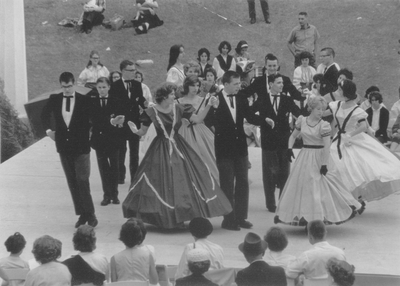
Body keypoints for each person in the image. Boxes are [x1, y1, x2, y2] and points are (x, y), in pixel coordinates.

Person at [122, 82, 232, 229]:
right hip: (160, 148)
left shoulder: (179, 108)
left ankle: (181, 215)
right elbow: (141, 132)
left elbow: (198, 119)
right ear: (164, 97)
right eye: (172, 94)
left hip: (178, 145)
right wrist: (133, 129)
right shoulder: (151, 111)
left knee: (182, 180)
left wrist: (209, 105)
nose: (175, 96)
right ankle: (166, 216)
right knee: (162, 180)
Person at [274, 96, 361, 226]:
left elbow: (327, 146)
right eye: (318, 109)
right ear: (311, 109)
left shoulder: (324, 125)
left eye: (323, 109)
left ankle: (318, 218)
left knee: (318, 188)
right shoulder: (302, 121)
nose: (321, 112)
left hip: (319, 156)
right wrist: (289, 148)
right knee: (303, 187)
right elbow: (292, 136)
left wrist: (324, 164)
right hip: (304, 156)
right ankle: (305, 217)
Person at [325, 80, 400, 210]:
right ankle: (346, 200)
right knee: (338, 168)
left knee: (356, 169)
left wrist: (350, 134)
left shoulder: (356, 109)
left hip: (353, 140)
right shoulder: (336, 105)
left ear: (345, 91)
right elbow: (325, 114)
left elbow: (364, 126)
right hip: (338, 140)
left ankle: (354, 200)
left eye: (340, 89)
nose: (338, 91)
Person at [41, 72, 97, 228]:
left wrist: (91, 132)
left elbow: (95, 117)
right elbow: (43, 115)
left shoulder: (84, 100)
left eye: (69, 86)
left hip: (81, 147)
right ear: (61, 86)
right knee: (72, 181)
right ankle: (82, 215)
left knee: (82, 180)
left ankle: (90, 214)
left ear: (74, 84)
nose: (66, 90)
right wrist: (48, 131)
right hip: (64, 147)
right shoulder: (55, 99)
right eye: (64, 87)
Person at [207, 71, 261, 231]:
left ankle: (241, 217)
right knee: (227, 183)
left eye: (239, 83)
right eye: (236, 84)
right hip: (224, 148)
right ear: (226, 84)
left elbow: (250, 116)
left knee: (243, 182)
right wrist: (215, 109)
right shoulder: (215, 98)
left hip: (240, 148)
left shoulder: (241, 97)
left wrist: (265, 120)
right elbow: (208, 120)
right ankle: (229, 219)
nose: (239, 86)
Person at [249, 74, 301, 213]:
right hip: (268, 141)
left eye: (282, 83)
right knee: (269, 174)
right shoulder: (263, 99)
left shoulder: (287, 99)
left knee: (284, 172)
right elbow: (249, 114)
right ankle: (270, 204)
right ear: (271, 84)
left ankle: (283, 202)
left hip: (284, 141)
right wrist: (263, 119)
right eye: (278, 83)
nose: (281, 85)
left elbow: (298, 112)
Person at [176, 75, 219, 182]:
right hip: (183, 132)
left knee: (209, 157)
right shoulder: (177, 101)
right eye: (192, 85)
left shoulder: (203, 100)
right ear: (186, 86)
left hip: (201, 132)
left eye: (197, 85)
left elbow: (209, 119)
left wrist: (215, 107)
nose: (195, 88)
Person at [110, 60, 145, 185]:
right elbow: (112, 105)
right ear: (123, 71)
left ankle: (134, 177)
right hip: (121, 123)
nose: (134, 72)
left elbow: (141, 100)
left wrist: (149, 107)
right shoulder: (115, 85)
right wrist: (115, 118)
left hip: (134, 123)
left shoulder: (137, 84)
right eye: (131, 70)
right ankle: (120, 176)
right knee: (121, 150)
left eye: (135, 70)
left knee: (134, 152)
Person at [89, 77, 123, 206]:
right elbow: (94, 119)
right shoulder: (92, 102)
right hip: (99, 139)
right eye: (99, 87)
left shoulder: (115, 100)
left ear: (109, 87)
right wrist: (110, 121)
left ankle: (114, 194)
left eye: (104, 87)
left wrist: (114, 122)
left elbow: (120, 118)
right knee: (103, 168)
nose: (102, 90)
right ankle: (106, 195)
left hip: (113, 139)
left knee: (114, 167)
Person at [110, 218, 158, 285]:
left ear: (122, 236)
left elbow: (114, 283)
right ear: (139, 237)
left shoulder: (114, 259)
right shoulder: (148, 256)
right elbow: (154, 281)